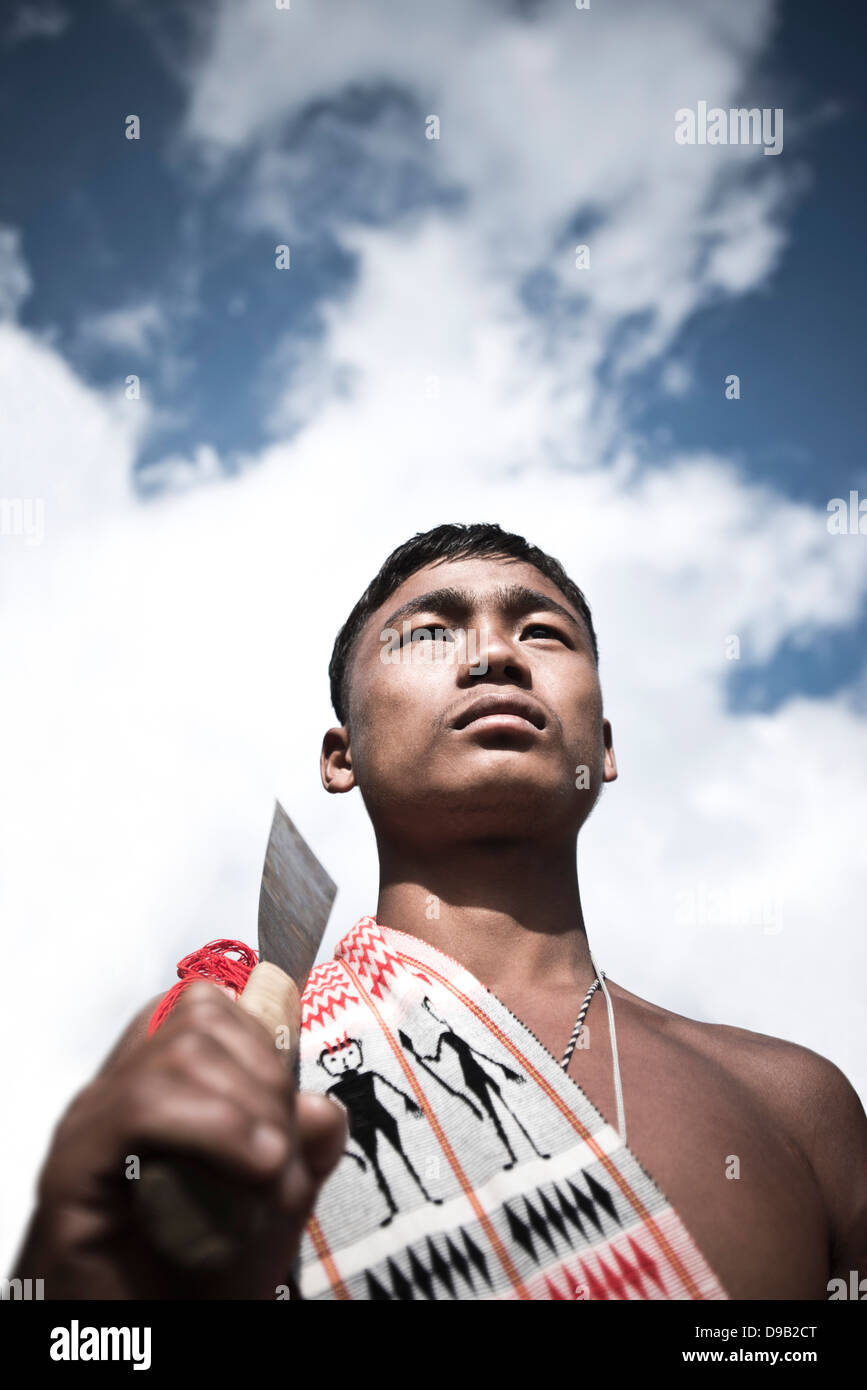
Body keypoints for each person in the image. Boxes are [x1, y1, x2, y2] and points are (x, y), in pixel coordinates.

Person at [11, 523, 867, 1300]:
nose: (494, 655)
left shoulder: (794, 1105)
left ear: (602, 746)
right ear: (340, 755)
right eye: (428, 632)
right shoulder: (232, 1060)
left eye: (542, 632)